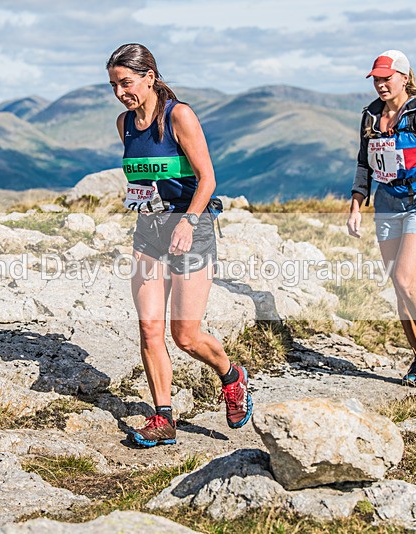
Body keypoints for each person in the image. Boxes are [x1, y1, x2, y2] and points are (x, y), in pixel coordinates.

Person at [106, 43, 252, 447]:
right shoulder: (125, 124)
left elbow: (207, 179)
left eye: (127, 83)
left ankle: (231, 375)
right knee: (150, 329)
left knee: (185, 335)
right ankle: (163, 417)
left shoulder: (179, 116)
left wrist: (188, 221)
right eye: (114, 85)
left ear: (150, 77)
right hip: (149, 231)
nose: (121, 92)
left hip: (192, 228)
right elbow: (141, 179)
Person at [346, 50, 416, 387]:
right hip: (387, 202)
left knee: (407, 279)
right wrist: (355, 206)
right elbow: (364, 164)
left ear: (404, 78)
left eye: (387, 78)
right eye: (376, 79)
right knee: (397, 284)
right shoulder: (370, 116)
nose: (381, 84)